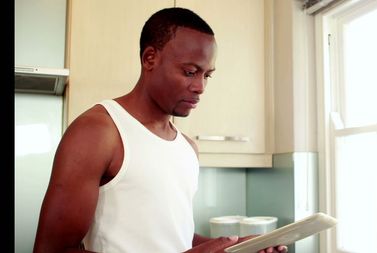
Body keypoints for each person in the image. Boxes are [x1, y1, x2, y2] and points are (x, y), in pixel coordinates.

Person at [32, 7, 287, 253]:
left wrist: (237, 246)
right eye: (190, 72)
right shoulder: (99, 131)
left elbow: (175, 237)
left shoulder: (188, 147)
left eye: (207, 75)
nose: (200, 86)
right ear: (150, 58)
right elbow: (51, 250)